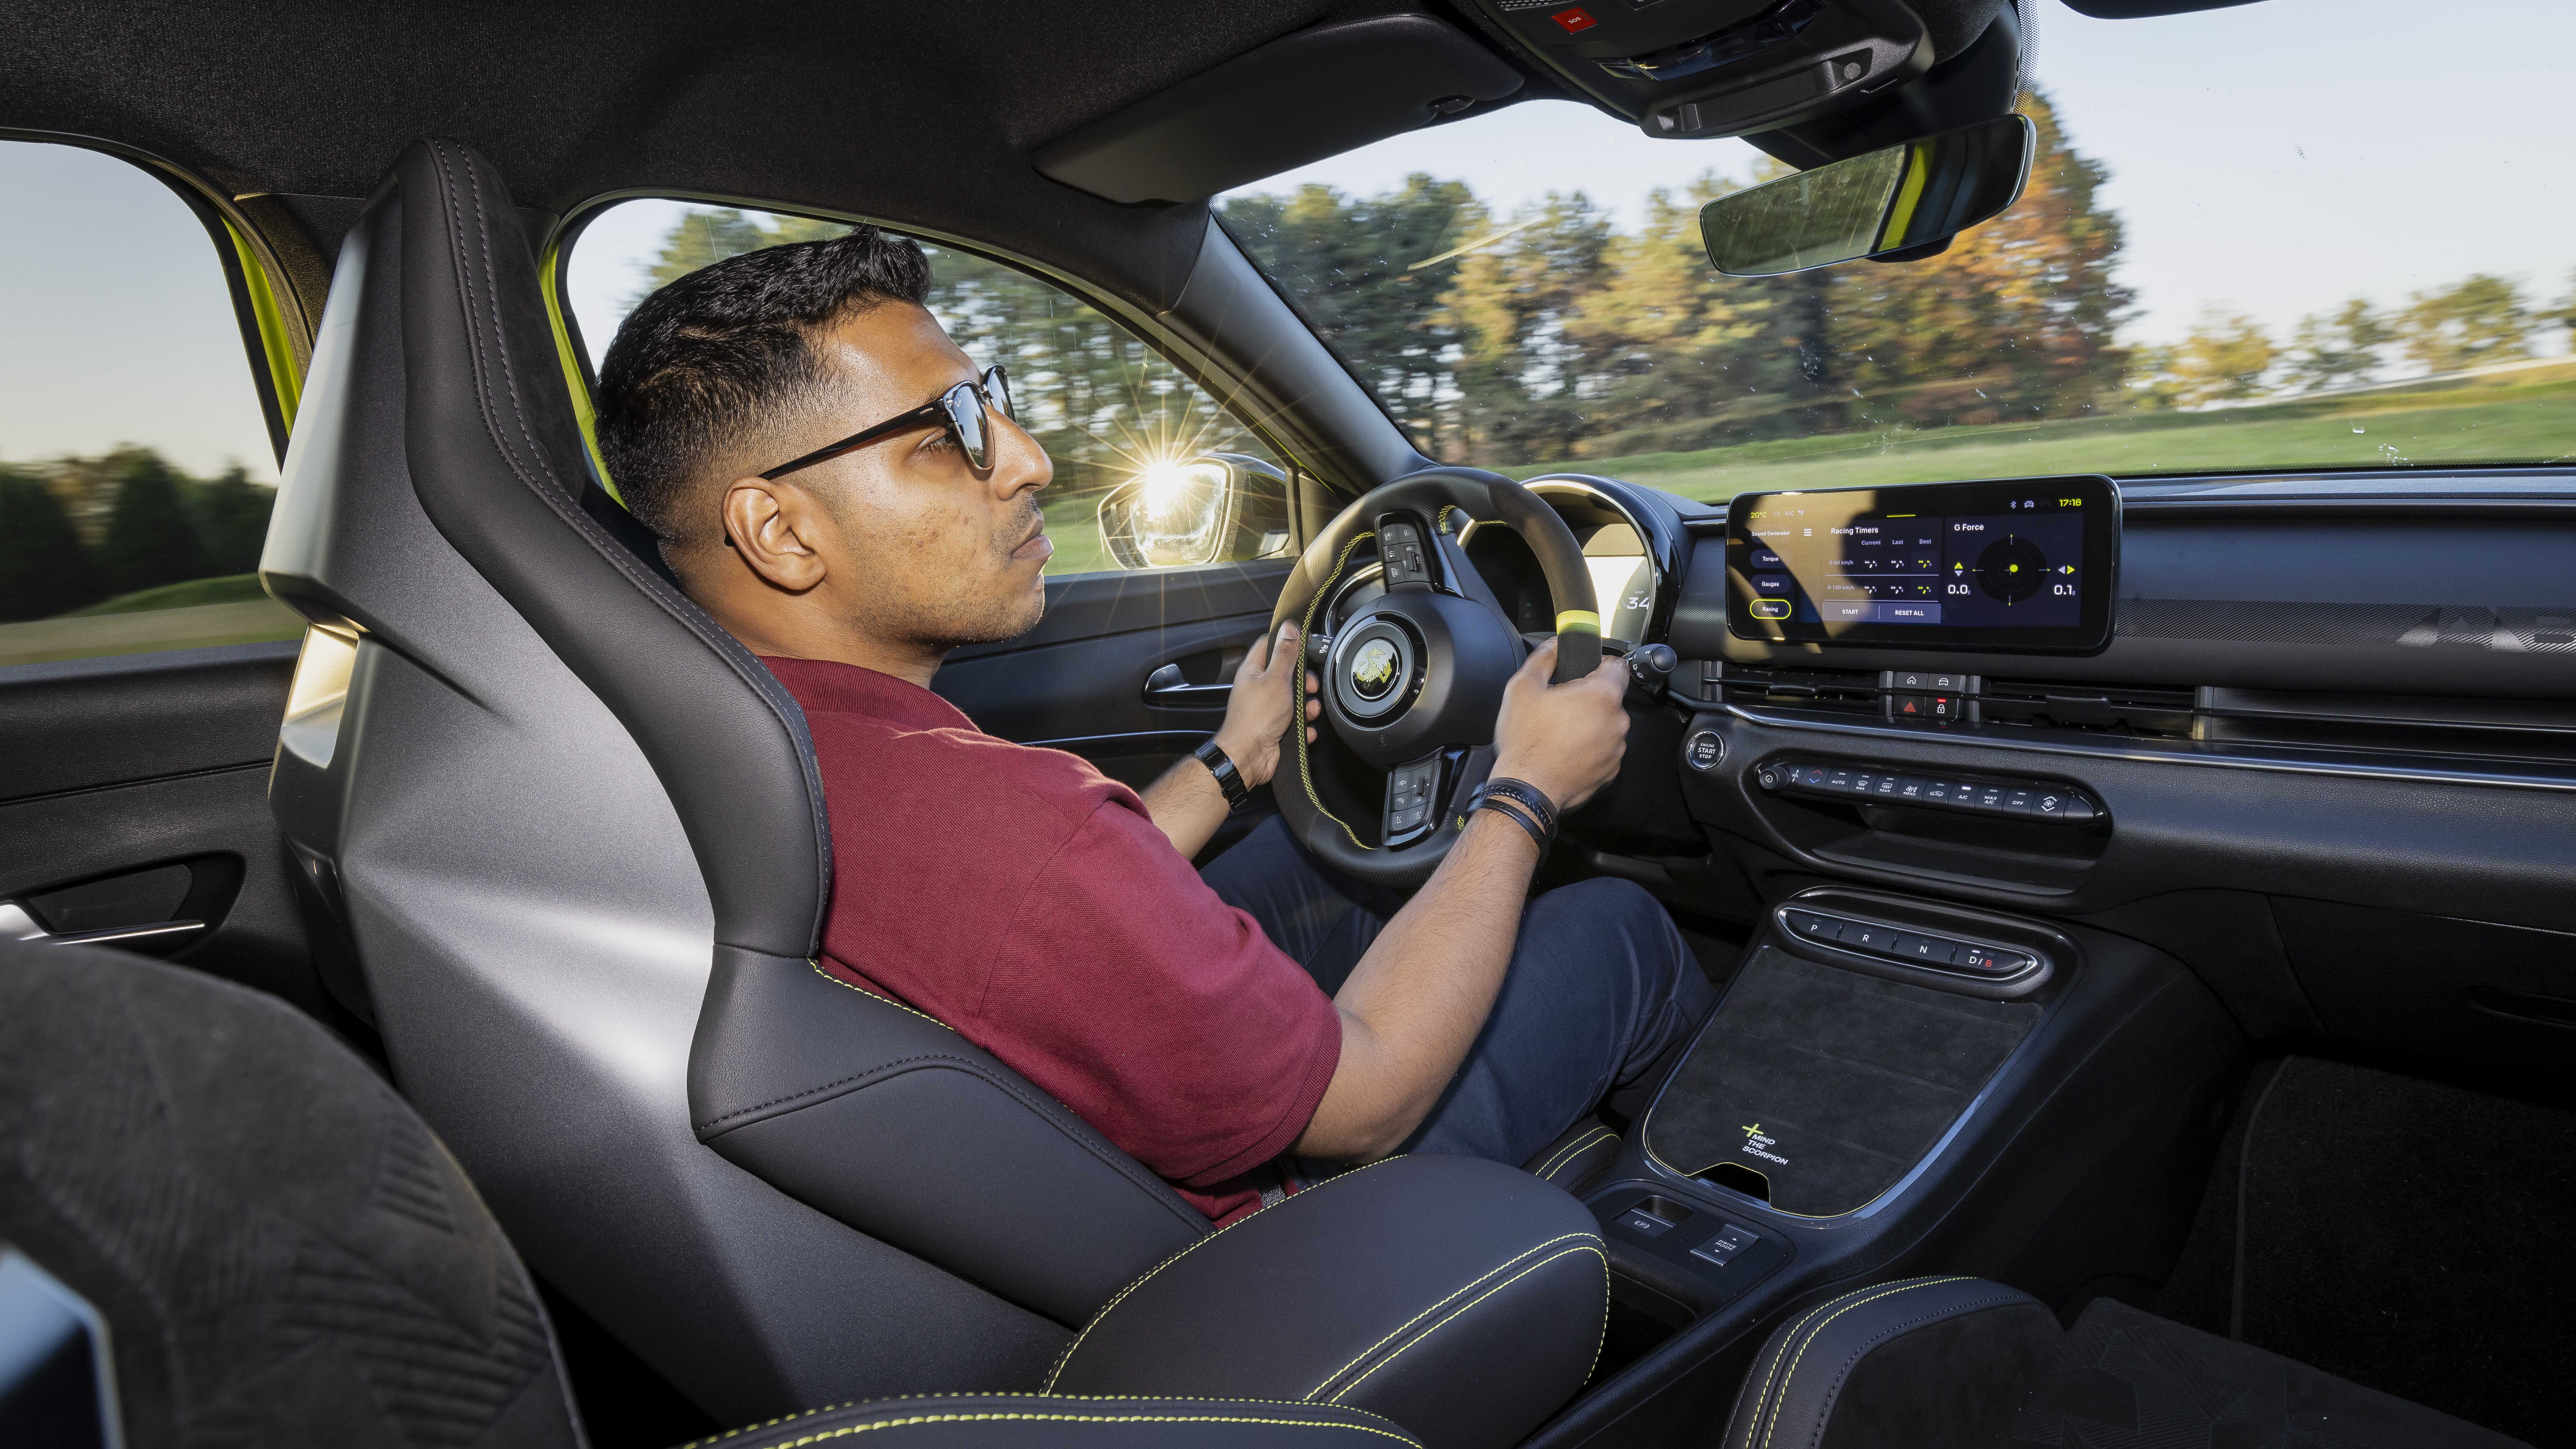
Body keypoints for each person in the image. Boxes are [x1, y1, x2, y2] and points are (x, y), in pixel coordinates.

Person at [594, 226, 1714, 1223]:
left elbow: (1050, 915)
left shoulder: (753, 739)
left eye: (992, 397)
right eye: (947, 432)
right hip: (1272, 1226)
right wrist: (1524, 790)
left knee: (1320, 857)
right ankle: (1698, 1242)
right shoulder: (1003, 827)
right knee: (1622, 926)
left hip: (1062, 1142)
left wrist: (1235, 760)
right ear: (781, 533)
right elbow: (1360, 1103)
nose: (1029, 459)